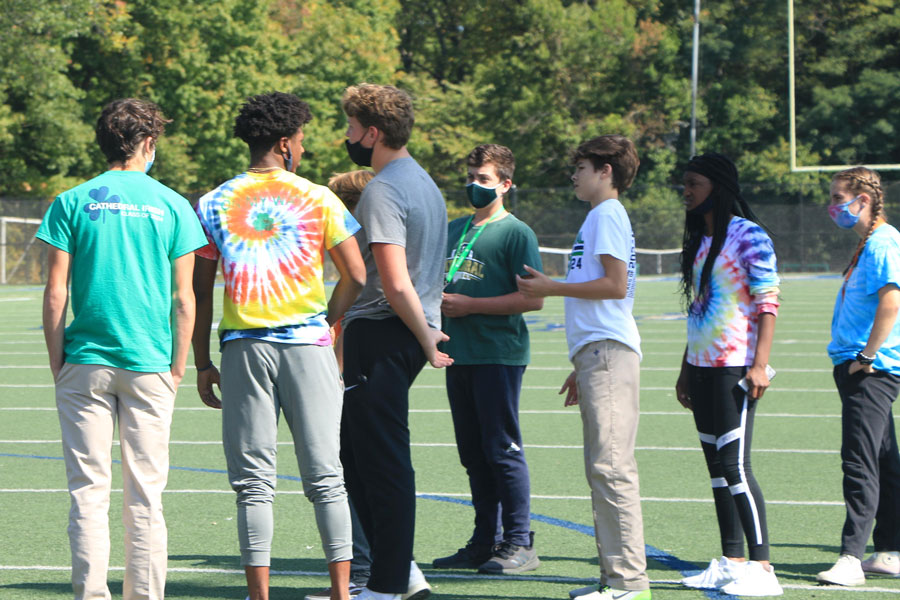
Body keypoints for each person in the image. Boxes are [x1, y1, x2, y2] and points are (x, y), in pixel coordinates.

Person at [191, 92, 365, 600]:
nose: (304, 151)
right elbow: (355, 274)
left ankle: (258, 595)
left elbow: (201, 292)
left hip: (243, 348)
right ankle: (341, 593)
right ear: (285, 143)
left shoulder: (213, 202)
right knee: (326, 476)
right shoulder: (318, 197)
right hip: (307, 344)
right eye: (303, 142)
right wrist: (329, 322)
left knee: (251, 482)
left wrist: (203, 361)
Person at [37, 98, 207, 600]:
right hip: (150, 361)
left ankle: (90, 594)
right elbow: (184, 297)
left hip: (85, 359)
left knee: (88, 491)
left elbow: (55, 294)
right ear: (148, 143)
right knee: (146, 494)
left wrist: (57, 360)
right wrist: (179, 364)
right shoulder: (173, 204)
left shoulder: (71, 201)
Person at [517, 135, 651, 600]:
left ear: (606, 170)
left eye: (581, 166)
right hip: (600, 354)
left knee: (612, 467)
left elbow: (614, 286)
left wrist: (550, 287)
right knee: (604, 466)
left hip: (610, 354)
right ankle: (614, 578)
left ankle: (628, 584)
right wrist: (584, 361)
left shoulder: (607, 214)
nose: (574, 174)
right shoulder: (598, 217)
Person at [339, 82, 451, 600]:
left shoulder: (385, 188)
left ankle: (385, 586)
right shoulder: (423, 181)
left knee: (381, 461)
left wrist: (426, 340)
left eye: (351, 127)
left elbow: (393, 278)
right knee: (356, 455)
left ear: (373, 132)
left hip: (385, 333)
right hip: (398, 332)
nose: (347, 136)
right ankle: (400, 572)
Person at [672, 153, 783, 596]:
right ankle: (732, 560)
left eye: (693, 183)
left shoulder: (749, 235)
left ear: (716, 186)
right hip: (701, 368)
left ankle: (763, 568)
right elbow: (698, 311)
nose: (686, 191)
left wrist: (759, 364)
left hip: (735, 367)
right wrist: (684, 369)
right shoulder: (701, 239)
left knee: (736, 466)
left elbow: (768, 301)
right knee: (717, 470)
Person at [432, 144, 543, 574]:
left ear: (505, 184)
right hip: (458, 354)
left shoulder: (517, 233)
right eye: (471, 176)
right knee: (473, 453)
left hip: (498, 353)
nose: (474, 185)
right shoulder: (454, 228)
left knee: (502, 449)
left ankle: (519, 542)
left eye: (484, 179)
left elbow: (532, 300)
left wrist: (471, 306)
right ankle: (485, 541)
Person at [816, 167, 900, 586]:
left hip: (870, 369)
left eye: (837, 198)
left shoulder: (884, 242)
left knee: (859, 461)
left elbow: (891, 302)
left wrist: (866, 356)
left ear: (861, 201)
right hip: (862, 367)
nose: (833, 207)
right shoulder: (870, 243)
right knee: (884, 460)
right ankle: (889, 549)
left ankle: (851, 557)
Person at [305, 169, 377, 600]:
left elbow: (351, 312)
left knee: (348, 471)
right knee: (361, 470)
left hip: (354, 371)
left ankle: (368, 571)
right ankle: (386, 567)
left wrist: (334, 371)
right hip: (361, 365)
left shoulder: (362, 250)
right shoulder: (373, 246)